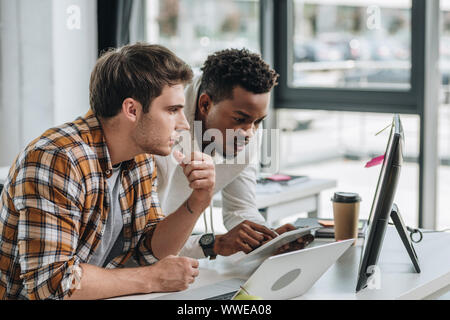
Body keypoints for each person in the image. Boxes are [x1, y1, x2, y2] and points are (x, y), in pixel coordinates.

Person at [0, 43, 215, 300]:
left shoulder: (140, 158)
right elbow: (51, 284)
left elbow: (148, 250)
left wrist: (198, 201)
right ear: (132, 110)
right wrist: (153, 278)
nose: (183, 125)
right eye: (172, 110)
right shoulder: (57, 158)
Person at [156, 48, 311, 260]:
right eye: (239, 119)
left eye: (258, 121)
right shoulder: (163, 130)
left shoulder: (249, 127)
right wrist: (215, 243)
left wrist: (267, 239)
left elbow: (240, 209)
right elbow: (145, 243)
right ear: (205, 104)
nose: (249, 134)